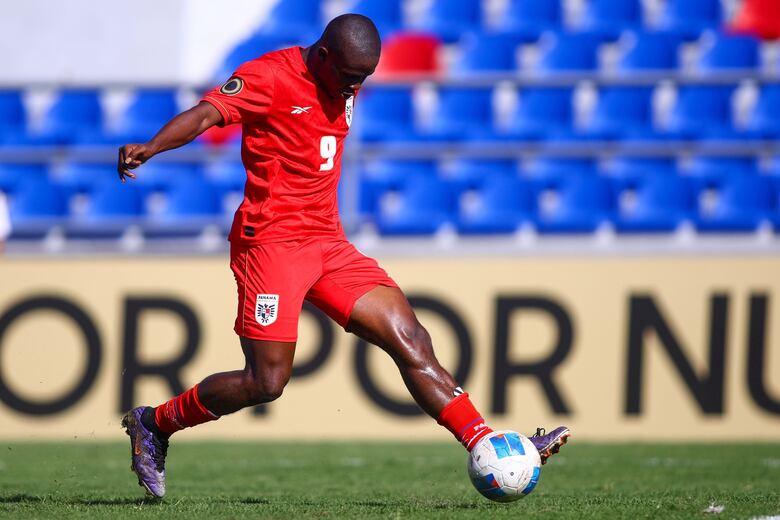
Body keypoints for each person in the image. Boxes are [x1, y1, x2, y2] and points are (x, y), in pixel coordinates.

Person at [117, 14, 570, 498]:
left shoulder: (343, 76)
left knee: (410, 338)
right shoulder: (269, 76)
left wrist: (350, 83)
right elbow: (207, 113)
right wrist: (151, 147)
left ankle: (489, 443)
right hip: (271, 243)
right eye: (350, 76)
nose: (355, 86)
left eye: (364, 78)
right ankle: (155, 423)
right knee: (266, 381)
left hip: (328, 242)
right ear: (325, 55)